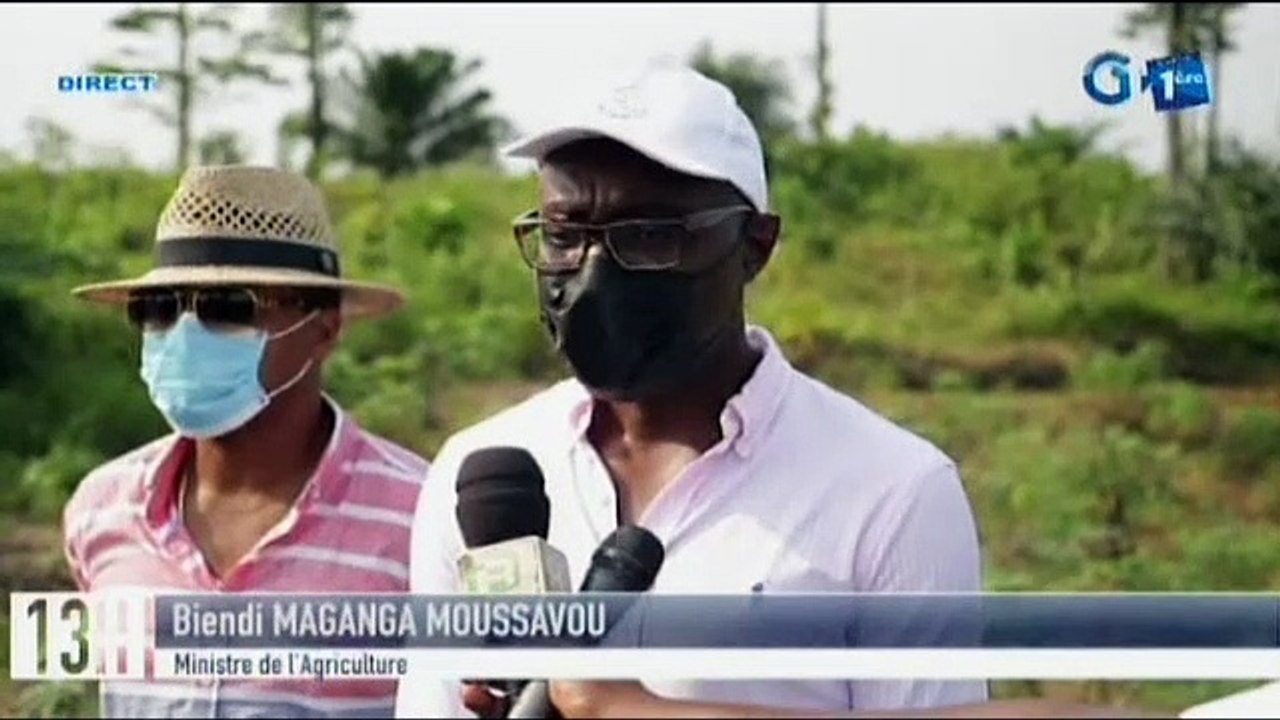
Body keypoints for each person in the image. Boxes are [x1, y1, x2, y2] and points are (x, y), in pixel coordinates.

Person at [397, 62, 987, 718]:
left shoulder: (891, 492)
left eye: (648, 236)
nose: (594, 275)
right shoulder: (482, 471)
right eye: (564, 235)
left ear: (754, 246)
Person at [64, 165, 430, 718]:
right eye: (159, 309)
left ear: (323, 328)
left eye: (228, 307)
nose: (184, 334)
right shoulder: (102, 511)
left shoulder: (420, 518)